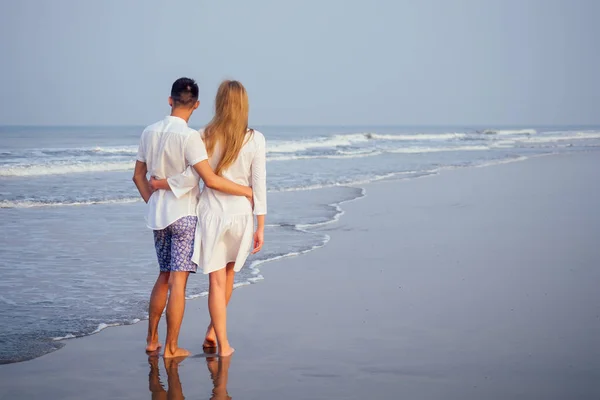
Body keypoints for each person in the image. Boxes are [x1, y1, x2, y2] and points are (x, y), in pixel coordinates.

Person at [133, 77, 253, 358]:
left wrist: (154, 200)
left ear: (169, 99)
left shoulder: (148, 132)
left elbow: (138, 176)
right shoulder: (190, 137)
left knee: (163, 276)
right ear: (196, 105)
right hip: (185, 215)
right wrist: (246, 190)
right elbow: (208, 178)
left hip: (158, 217)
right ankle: (171, 348)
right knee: (178, 281)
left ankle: (152, 340)